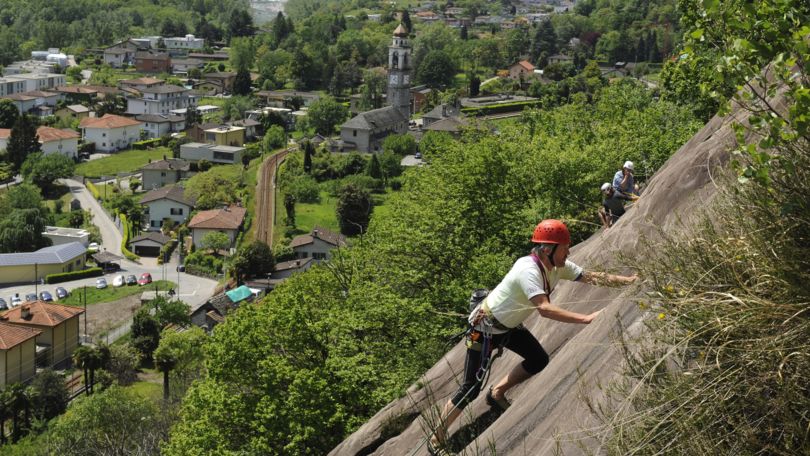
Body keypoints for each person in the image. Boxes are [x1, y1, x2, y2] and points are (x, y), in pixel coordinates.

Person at [428, 220, 637, 454]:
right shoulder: (528, 269)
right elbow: (544, 309)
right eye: (564, 248)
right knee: (471, 387)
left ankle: (497, 393)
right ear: (548, 249)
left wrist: (629, 282)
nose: (568, 252)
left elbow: (590, 276)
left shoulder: (557, 266)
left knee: (538, 359)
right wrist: (586, 318)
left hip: (508, 326)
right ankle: (435, 439)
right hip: (484, 329)